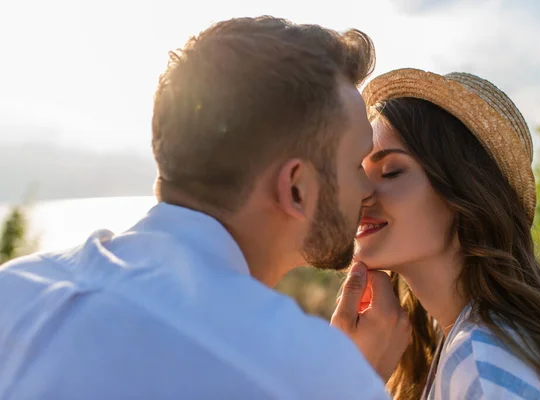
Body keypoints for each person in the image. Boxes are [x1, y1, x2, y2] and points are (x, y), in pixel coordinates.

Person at [0, 17, 411, 399]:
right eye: (356, 163)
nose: (366, 189)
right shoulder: (304, 372)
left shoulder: (16, 288)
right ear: (297, 189)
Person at [356, 68, 540, 399]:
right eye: (359, 172)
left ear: (464, 193)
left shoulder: (483, 361)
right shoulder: (462, 346)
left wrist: (354, 379)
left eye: (391, 172)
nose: (361, 193)